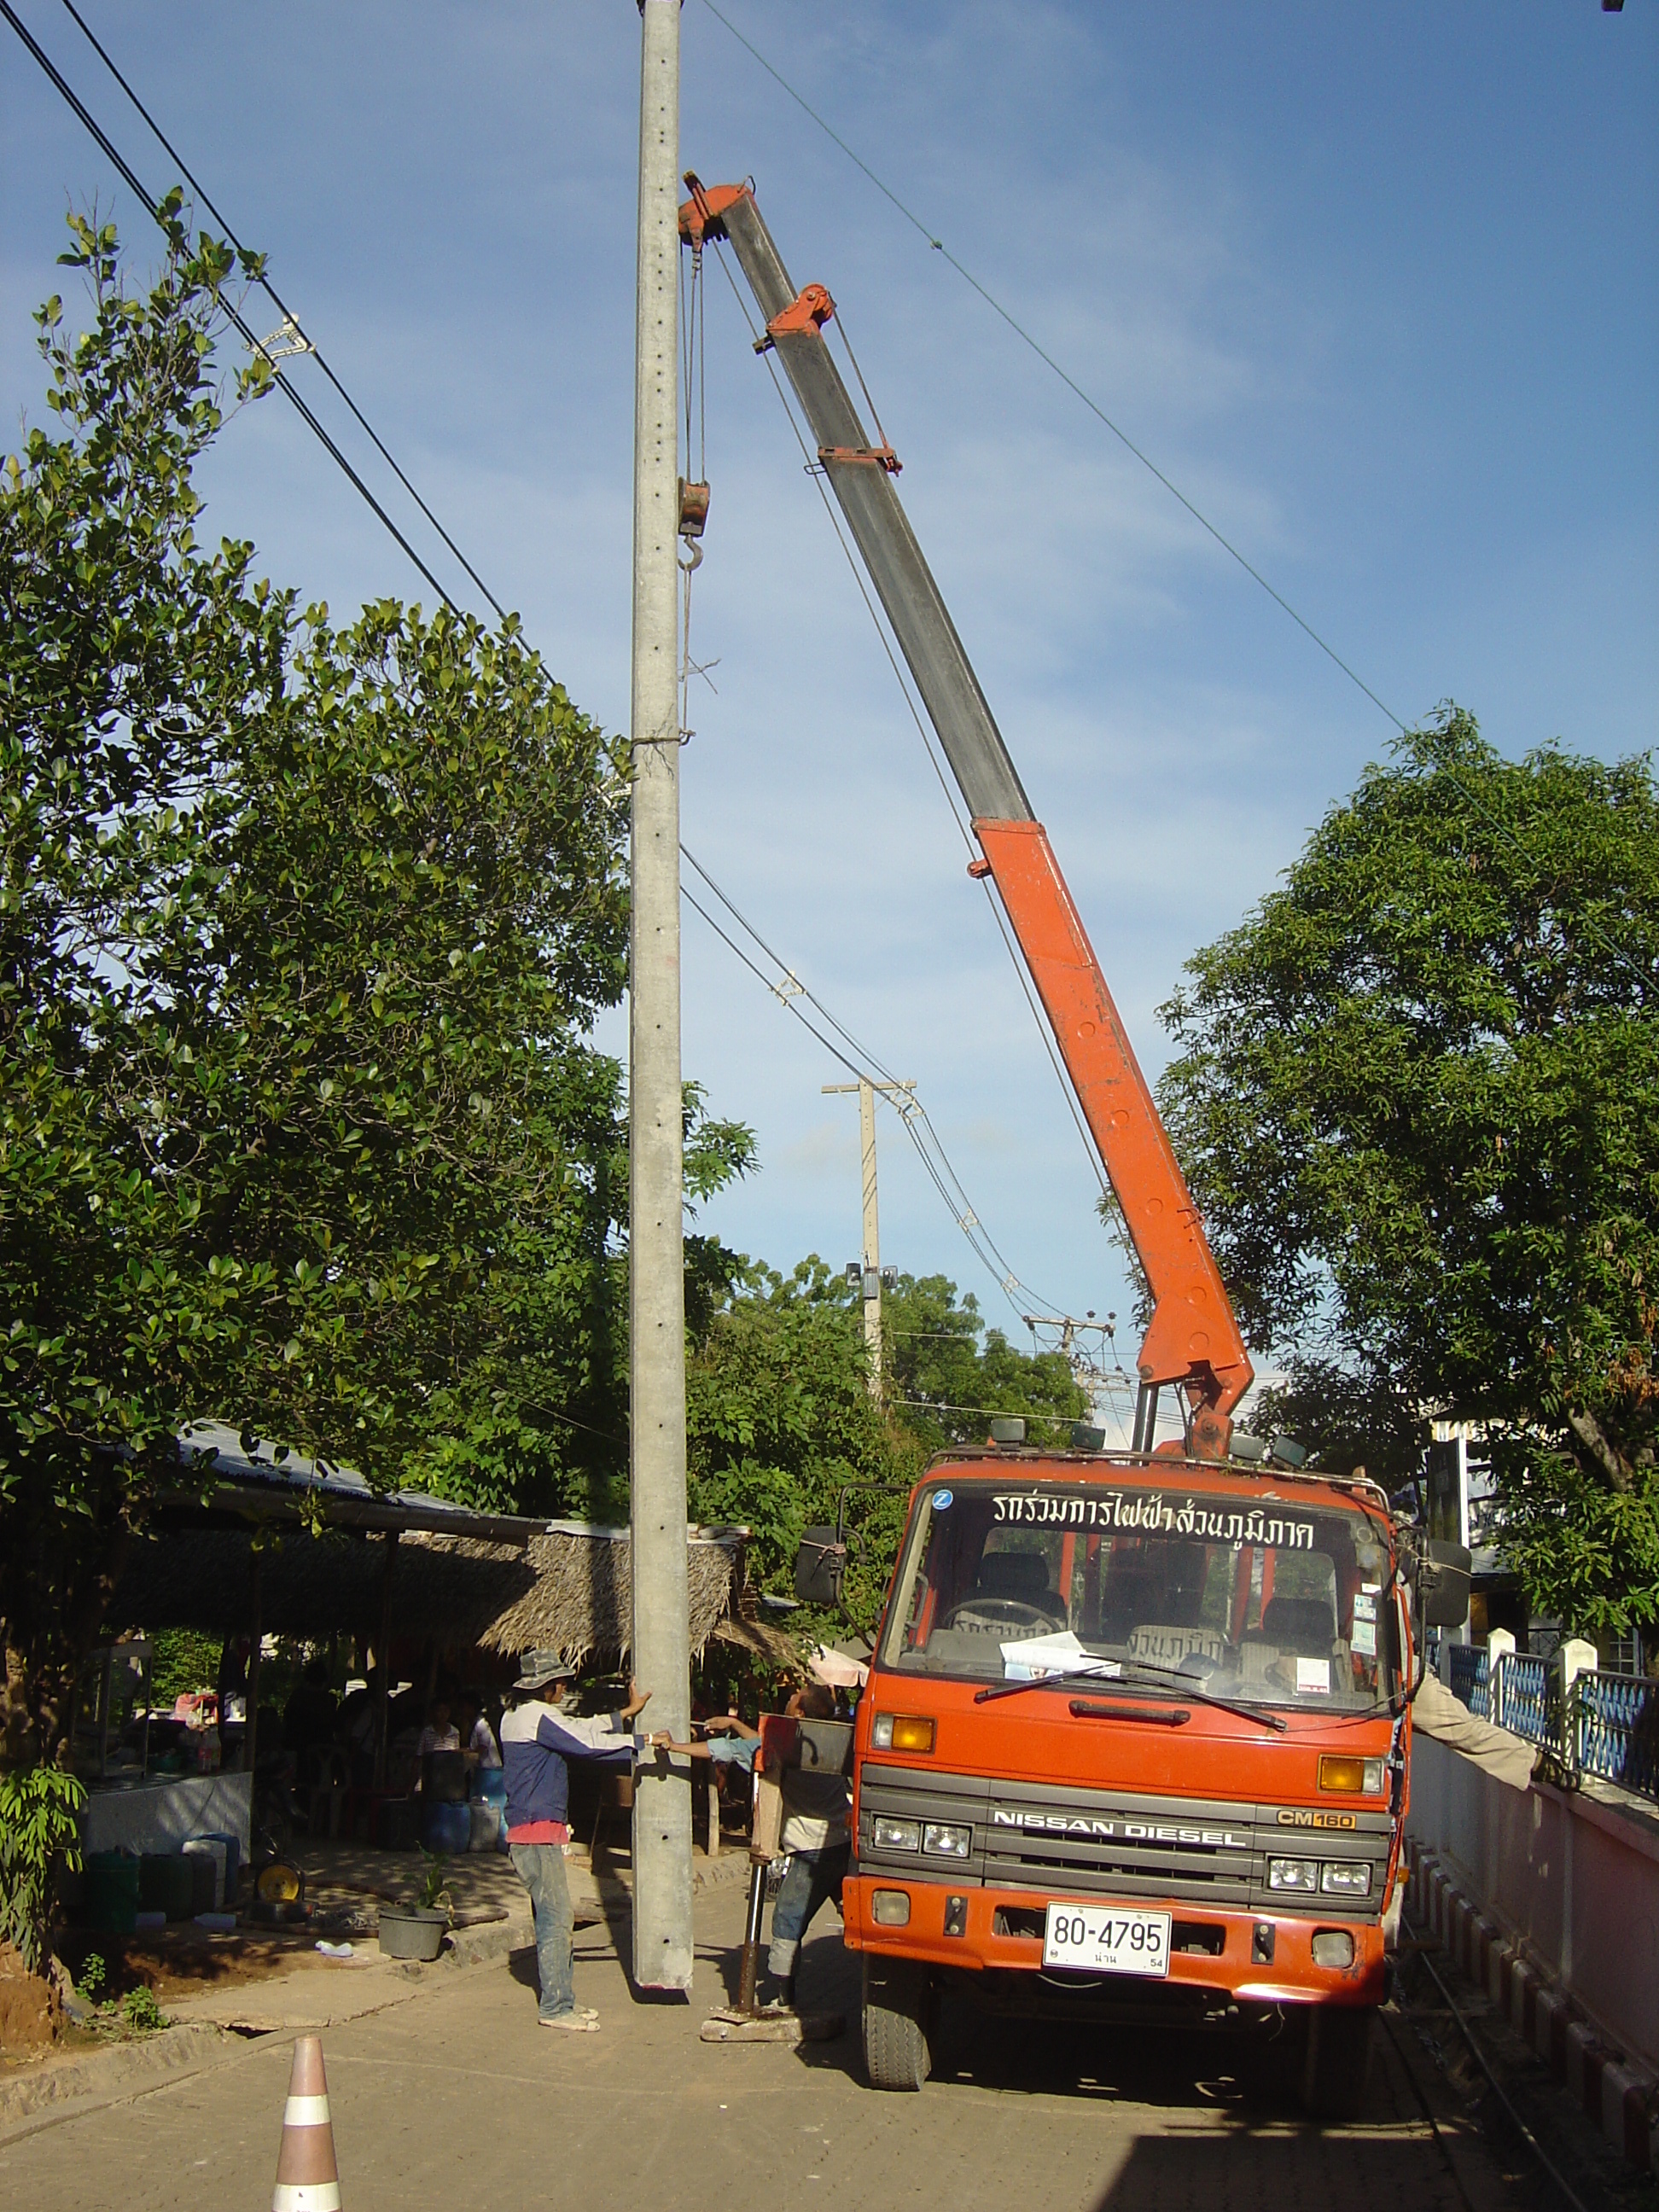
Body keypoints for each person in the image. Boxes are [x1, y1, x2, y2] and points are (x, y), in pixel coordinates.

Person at [502, 1652, 651, 2031]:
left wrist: (625, 1714)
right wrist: (641, 1742)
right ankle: (555, 2007)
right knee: (556, 1920)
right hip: (537, 1833)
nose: (565, 1687)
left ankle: (562, 1998)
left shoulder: (519, 1717)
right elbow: (584, 1743)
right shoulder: (537, 1717)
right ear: (545, 1687)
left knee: (552, 1918)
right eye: (561, 1682)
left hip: (530, 1832)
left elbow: (578, 1729)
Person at [764, 1685, 851, 2011]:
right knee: (857, 1917)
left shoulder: (790, 1744)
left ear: (799, 1712)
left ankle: (783, 1998)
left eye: (792, 1698)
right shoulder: (832, 1741)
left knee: (788, 1920)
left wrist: (677, 1746)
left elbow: (747, 1749)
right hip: (843, 1845)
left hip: (812, 1851)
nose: (786, 1699)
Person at [459, 1691, 502, 1771]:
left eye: (463, 1706)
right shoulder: (470, 1725)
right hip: (480, 1769)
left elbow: (482, 1747)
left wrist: (462, 1752)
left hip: (490, 1768)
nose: (461, 1710)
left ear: (472, 1707)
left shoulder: (482, 1724)